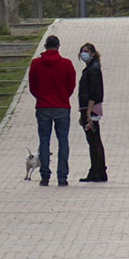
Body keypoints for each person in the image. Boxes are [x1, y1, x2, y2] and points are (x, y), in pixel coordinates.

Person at [28, 35, 77, 186]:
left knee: (44, 140)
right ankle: (62, 176)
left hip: (43, 106)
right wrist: (63, 97)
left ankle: (45, 175)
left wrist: (41, 97)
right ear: (58, 46)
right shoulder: (67, 64)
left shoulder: (35, 64)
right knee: (63, 141)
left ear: (45, 46)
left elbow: (32, 86)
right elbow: (71, 85)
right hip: (62, 106)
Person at [77, 43, 107, 182]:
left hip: (91, 109)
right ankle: (95, 169)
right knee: (92, 141)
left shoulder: (93, 70)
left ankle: (99, 170)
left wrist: (88, 113)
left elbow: (93, 94)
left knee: (95, 141)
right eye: (82, 52)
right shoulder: (89, 69)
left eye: (86, 51)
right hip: (86, 109)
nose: (84, 54)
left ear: (93, 53)